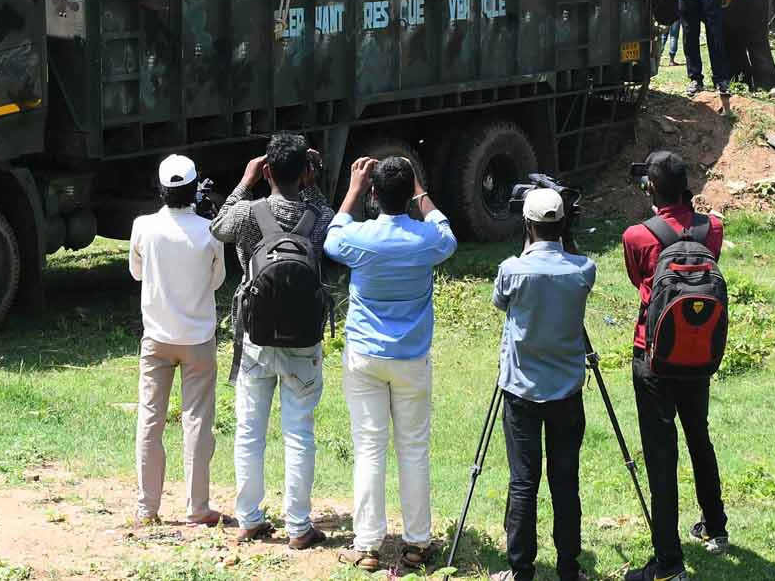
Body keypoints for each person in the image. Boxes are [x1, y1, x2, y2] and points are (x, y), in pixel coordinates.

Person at [325, 155, 458, 573]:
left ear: (374, 195)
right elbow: (446, 232)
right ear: (410, 193)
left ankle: (367, 545)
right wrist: (420, 190)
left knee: (369, 448)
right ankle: (416, 543)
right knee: (413, 448)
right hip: (412, 358)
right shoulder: (426, 240)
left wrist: (352, 189)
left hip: (365, 356)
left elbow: (331, 238)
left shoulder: (361, 239)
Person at [210, 134, 332, 550]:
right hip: (303, 341)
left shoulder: (247, 213)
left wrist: (245, 181)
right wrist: (312, 183)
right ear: (304, 173)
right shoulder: (316, 216)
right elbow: (333, 222)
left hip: (255, 339)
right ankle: (299, 525)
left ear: (266, 172)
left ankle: (249, 518)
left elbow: (218, 227)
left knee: (249, 430)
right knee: (299, 432)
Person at [621, 151, 729, 579]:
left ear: (650, 188)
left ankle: (667, 559)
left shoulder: (637, 235)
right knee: (698, 435)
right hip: (699, 348)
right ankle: (715, 525)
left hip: (653, 351)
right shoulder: (713, 228)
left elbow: (639, 282)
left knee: (660, 453)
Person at [491, 187, 597, 581]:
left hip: (521, 390)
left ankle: (521, 570)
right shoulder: (584, 269)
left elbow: (501, 303)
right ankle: (570, 567)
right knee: (565, 481)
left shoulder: (512, 269)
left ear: (527, 223)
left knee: (523, 481)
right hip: (567, 391)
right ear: (564, 224)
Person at [128, 154, 228, 526]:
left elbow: (137, 272)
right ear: (193, 189)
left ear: (161, 190)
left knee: (150, 419)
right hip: (199, 338)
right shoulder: (210, 231)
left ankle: (146, 507)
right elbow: (216, 281)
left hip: (156, 337)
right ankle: (197, 507)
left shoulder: (143, 227)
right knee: (197, 421)